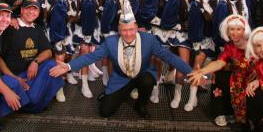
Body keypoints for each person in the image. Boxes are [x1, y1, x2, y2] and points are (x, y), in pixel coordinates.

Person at [49, 11, 193, 118]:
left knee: (148, 80)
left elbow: (169, 56)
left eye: (131, 29)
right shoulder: (111, 42)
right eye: (124, 30)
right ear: (119, 30)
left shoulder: (149, 39)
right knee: (105, 112)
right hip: (121, 78)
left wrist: (191, 72)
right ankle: (111, 94)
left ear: (136, 28)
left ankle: (141, 104)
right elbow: (91, 57)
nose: (128, 33)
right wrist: (68, 66)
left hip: (142, 75)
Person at [0, 0, 64, 112]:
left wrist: (35, 62)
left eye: (35, 10)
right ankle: (31, 101)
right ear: (22, 10)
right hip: (14, 76)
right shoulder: (11, 27)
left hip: (31, 75)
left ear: (38, 13)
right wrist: (14, 77)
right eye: (28, 9)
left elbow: (48, 51)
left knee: (52, 65)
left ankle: (34, 100)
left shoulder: (37, 29)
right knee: (30, 99)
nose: (31, 12)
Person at [188, 15, 253, 127]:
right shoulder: (229, 47)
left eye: (239, 29)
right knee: (218, 75)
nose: (235, 33)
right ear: (227, 32)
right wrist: (201, 71)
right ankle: (222, 112)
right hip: (237, 79)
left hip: (254, 80)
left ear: (244, 30)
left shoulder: (254, 44)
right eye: (232, 29)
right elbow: (219, 62)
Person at [161, 0, 195, 109]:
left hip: (200, 37)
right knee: (183, 63)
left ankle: (193, 97)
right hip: (182, 35)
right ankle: (178, 95)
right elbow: (166, 20)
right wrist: (180, 25)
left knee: (197, 66)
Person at [186, 0, 219, 112]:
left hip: (217, 41)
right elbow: (193, 26)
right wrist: (196, 45)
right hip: (202, 41)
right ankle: (192, 97)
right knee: (197, 66)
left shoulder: (220, 1)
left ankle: (216, 101)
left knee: (214, 72)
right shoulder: (195, 4)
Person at [49, 0, 80, 101]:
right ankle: (58, 87)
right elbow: (56, 25)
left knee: (70, 54)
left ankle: (68, 74)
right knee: (60, 58)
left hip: (71, 32)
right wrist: (59, 42)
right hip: (60, 34)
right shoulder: (60, 2)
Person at [76, 0, 105, 98]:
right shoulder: (87, 1)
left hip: (89, 32)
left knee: (86, 57)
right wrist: (87, 39)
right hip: (86, 34)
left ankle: (84, 78)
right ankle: (84, 84)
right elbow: (87, 23)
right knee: (85, 57)